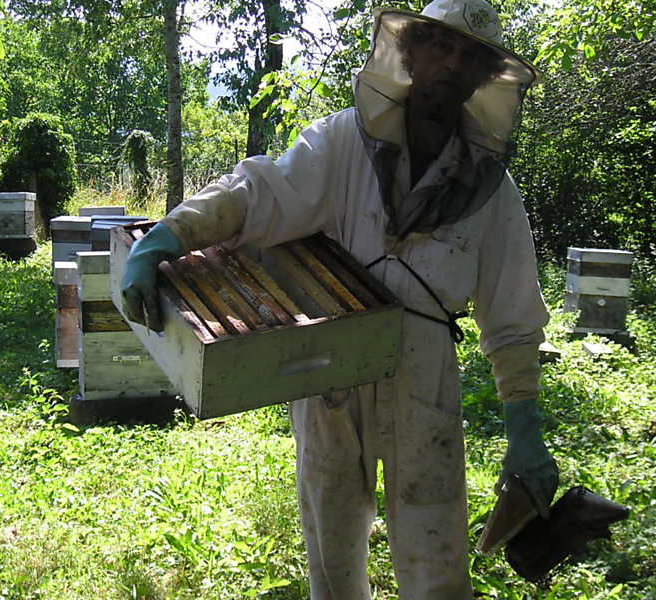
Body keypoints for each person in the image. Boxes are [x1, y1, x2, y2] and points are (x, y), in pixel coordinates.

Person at [121, 1, 559, 598]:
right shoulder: (342, 142)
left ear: (486, 77)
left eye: (470, 57)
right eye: (441, 47)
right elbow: (259, 193)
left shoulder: (492, 190)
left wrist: (525, 426)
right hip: (331, 366)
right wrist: (171, 234)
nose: (452, 66)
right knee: (331, 553)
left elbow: (511, 317)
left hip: (425, 375)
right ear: (410, 51)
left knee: (436, 558)